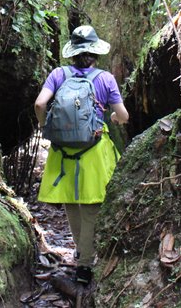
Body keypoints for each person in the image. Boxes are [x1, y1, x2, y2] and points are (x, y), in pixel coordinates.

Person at [34, 25, 129, 287]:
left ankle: (80, 252)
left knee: (71, 205)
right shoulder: (105, 79)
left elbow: (40, 104)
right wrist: (111, 117)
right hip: (93, 153)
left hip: (63, 153)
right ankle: (85, 264)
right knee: (91, 209)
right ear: (95, 51)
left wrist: (46, 127)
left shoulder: (58, 74)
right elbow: (123, 116)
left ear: (73, 52)